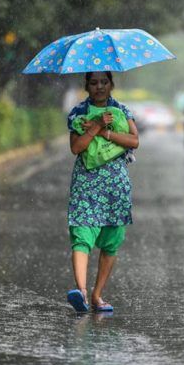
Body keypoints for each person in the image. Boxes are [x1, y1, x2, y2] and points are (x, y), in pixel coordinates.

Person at [66, 71, 140, 313]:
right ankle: (82, 292)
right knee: (82, 232)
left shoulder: (121, 110)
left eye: (104, 82)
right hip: (86, 183)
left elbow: (134, 141)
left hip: (114, 185)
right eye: (94, 83)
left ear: (111, 84)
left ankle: (98, 295)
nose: (99, 87)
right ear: (86, 85)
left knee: (111, 240)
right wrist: (94, 127)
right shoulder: (78, 113)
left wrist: (105, 132)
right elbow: (76, 148)